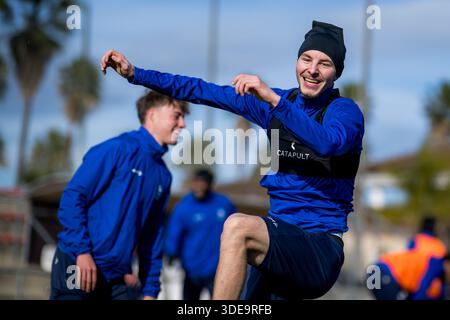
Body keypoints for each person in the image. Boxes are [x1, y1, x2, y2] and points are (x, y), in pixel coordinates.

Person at [100, 20, 364, 300]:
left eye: (324, 64)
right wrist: (135, 74)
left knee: (237, 226)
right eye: (306, 59)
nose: (312, 69)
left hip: (318, 249)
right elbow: (201, 90)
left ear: (336, 73)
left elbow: (328, 142)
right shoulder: (277, 105)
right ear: (297, 62)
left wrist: (276, 101)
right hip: (276, 241)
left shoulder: (343, 111)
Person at [50, 91, 189, 300]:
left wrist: (150, 291)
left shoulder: (163, 176)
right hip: (78, 262)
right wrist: (82, 252)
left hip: (115, 276)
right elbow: (72, 197)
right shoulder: (116, 150)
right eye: (176, 115)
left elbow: (152, 237)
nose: (183, 124)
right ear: (152, 115)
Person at [164, 169, 236, 300]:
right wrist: (171, 253)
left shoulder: (224, 204)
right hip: (191, 269)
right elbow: (174, 233)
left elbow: (236, 229)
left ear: (210, 184)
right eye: (196, 183)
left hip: (218, 269)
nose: (199, 186)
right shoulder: (183, 207)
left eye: (202, 183)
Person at [369, 251, 450, 300]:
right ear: (447, 263)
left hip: (377, 272)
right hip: (380, 271)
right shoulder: (436, 264)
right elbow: (421, 292)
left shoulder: (441, 279)